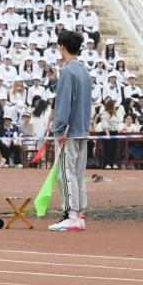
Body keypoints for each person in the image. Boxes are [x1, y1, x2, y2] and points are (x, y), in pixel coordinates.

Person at [48, 31, 93, 232]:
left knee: (66, 173)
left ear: (62, 47)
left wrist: (59, 129)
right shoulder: (84, 70)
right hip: (82, 128)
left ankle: (71, 214)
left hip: (70, 131)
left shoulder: (67, 71)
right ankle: (79, 213)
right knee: (78, 173)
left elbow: (64, 102)